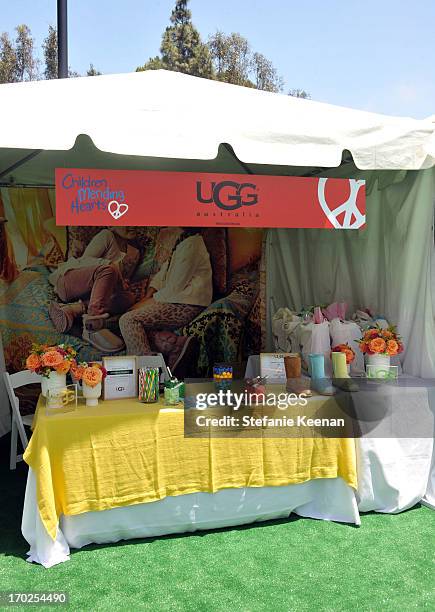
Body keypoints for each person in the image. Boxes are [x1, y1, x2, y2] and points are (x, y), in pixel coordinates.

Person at [119, 228, 212, 368]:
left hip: (186, 304)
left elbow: (174, 288)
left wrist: (146, 304)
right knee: (125, 319)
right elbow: (162, 274)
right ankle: (175, 344)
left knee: (128, 320)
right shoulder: (182, 241)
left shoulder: (193, 243)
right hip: (176, 299)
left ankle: (146, 371)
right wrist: (146, 298)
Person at [48, 227, 139, 352]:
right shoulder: (106, 236)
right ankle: (92, 326)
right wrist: (113, 269)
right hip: (70, 281)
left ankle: (74, 309)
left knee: (129, 298)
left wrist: (122, 282)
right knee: (109, 270)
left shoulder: (135, 253)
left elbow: (118, 282)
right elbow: (82, 263)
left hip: (94, 293)